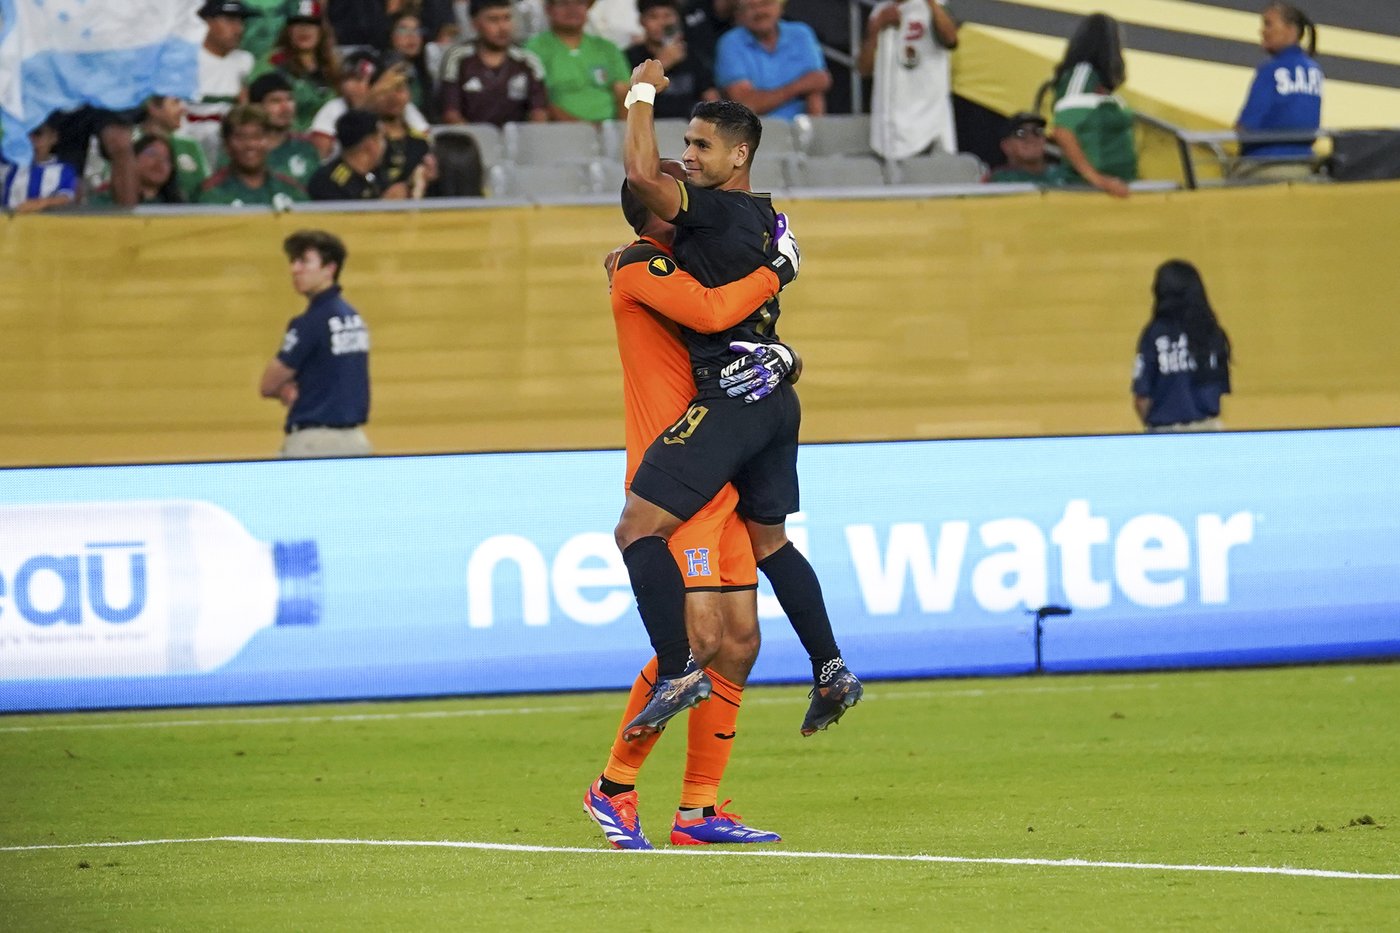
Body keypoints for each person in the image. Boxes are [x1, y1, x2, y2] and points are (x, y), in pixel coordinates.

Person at [616, 66, 862, 739]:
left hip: (731, 397)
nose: (688, 157)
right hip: (775, 394)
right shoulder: (762, 216)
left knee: (637, 529)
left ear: (739, 156)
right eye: (686, 146)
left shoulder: (717, 208)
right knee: (771, 541)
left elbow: (641, 177)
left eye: (699, 146)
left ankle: (675, 671)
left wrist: (640, 94)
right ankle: (832, 667)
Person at [584, 160, 796, 850]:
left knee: (738, 643)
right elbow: (711, 313)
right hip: (671, 478)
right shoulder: (641, 265)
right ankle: (614, 785)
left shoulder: (689, 263)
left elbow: (736, 330)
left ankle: (698, 811)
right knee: (698, 640)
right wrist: (777, 269)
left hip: (723, 468)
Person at [259, 229, 372, 458]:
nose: (294, 269)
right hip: (355, 440)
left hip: (314, 443)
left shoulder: (309, 323)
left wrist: (283, 387)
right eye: (293, 261)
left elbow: (268, 383)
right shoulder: (352, 317)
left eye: (304, 261)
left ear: (329, 269)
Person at [1132, 260, 1232, 433]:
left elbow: (1142, 396)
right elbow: (1219, 388)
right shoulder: (1211, 331)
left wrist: (1153, 429)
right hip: (1208, 431)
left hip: (1164, 432)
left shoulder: (1154, 334)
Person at [1049, 12, 1135, 198]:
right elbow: (1063, 130)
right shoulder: (1082, 75)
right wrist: (1098, 179)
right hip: (1088, 191)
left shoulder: (1102, 82)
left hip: (1116, 187)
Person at [858, 0, 958, 159]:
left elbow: (951, 39)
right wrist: (876, 27)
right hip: (887, 131)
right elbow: (864, 70)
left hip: (928, 126)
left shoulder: (935, 6)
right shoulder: (880, 11)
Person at [1235, 2, 1322, 175]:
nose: (1262, 31)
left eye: (1268, 24)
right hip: (1305, 166)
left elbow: (1246, 126)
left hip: (1264, 165)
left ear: (1291, 31)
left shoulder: (1272, 69)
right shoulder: (1314, 70)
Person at [438, 0, 550, 127]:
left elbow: (539, 112)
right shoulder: (458, 58)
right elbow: (451, 114)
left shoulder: (527, 61)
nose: (503, 27)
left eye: (507, 18)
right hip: (470, 141)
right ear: (475, 24)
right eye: (493, 20)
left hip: (519, 141)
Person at [713, 0, 830, 120]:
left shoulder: (801, 34)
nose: (760, 12)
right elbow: (745, 106)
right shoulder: (730, 43)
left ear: (781, 7)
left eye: (766, 4)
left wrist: (813, 135)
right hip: (753, 132)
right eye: (751, 7)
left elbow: (818, 84)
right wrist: (798, 86)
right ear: (739, 14)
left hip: (801, 129)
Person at [310, 51, 431, 159]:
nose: (359, 87)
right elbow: (319, 157)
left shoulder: (407, 109)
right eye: (355, 79)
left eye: (400, 89)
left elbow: (427, 145)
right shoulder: (335, 108)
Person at [524, 0, 630, 122]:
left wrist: (624, 130)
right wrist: (583, 130)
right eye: (563, 4)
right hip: (560, 132)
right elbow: (540, 101)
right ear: (548, 9)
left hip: (611, 130)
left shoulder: (607, 48)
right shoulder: (534, 49)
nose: (572, 10)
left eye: (580, 3)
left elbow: (624, 94)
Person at [625, 0, 719, 120]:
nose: (662, 23)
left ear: (678, 19)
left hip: (690, 128)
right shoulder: (630, 57)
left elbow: (711, 97)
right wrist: (661, 64)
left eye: (667, 16)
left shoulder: (691, 55)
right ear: (642, 21)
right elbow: (628, 103)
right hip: (651, 128)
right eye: (653, 17)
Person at [256, 0, 341, 133]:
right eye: (297, 23)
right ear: (288, 29)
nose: (304, 29)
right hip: (283, 137)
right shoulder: (273, 61)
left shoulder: (334, 65)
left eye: (311, 24)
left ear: (321, 30)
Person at [199, 104, 309, 206]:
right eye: (241, 137)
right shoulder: (210, 194)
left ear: (270, 140)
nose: (250, 145)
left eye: (257, 136)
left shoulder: (291, 191)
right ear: (226, 144)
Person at [189, 0, 258, 154]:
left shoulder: (245, 61)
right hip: (191, 148)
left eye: (241, 21)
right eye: (230, 20)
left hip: (230, 151)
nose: (238, 29)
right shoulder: (187, 60)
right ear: (207, 22)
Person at [373, 66, 439, 197]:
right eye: (387, 90)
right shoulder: (363, 141)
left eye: (399, 89)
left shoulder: (421, 143)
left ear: (409, 94)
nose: (393, 97)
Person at [248, 72, 323, 187]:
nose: (286, 108)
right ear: (256, 108)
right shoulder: (243, 149)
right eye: (275, 101)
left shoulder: (306, 148)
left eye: (289, 99)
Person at [306, 109, 394, 200]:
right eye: (382, 138)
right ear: (370, 143)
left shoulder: (379, 176)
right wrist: (383, 204)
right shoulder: (328, 182)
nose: (385, 144)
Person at [136, 97, 211, 202]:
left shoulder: (189, 145)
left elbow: (206, 190)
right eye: (176, 102)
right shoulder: (127, 145)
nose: (183, 110)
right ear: (153, 107)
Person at [2, 116, 78, 213]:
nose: (31, 140)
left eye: (37, 133)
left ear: (53, 137)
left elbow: (67, 197)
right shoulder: (8, 162)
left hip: (44, 225)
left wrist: (39, 203)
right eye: (26, 133)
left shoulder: (64, 170)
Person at [88, 135, 185, 206]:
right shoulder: (102, 204)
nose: (159, 161)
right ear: (132, 159)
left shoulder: (179, 209)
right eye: (151, 153)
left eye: (166, 159)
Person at [988, 111, 1069, 185]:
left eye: (1038, 131)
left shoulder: (1065, 175)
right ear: (1006, 146)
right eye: (1021, 133)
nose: (1031, 138)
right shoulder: (998, 180)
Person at [386, 11, 440, 121]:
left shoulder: (424, 74)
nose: (412, 36)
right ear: (390, 35)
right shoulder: (381, 72)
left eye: (417, 30)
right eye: (403, 30)